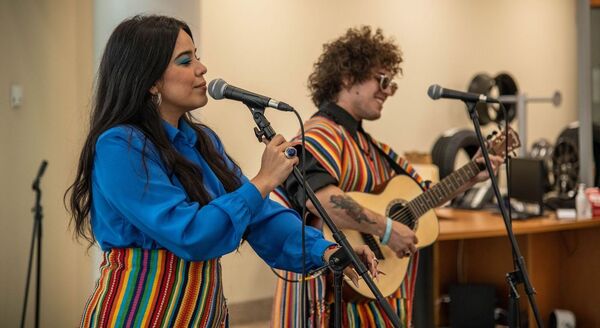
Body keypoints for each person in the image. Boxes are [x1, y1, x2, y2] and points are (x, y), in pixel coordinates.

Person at [66, 15, 378, 328]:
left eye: (197, 57)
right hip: (138, 316)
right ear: (151, 81)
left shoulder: (202, 142)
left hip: (204, 316)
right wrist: (262, 182)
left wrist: (328, 250)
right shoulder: (119, 145)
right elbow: (190, 234)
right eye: (186, 61)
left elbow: (263, 219)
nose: (201, 68)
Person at [271, 26, 502, 327]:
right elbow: (320, 201)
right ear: (346, 77)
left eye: (391, 83)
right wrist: (388, 229)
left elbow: (423, 198)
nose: (388, 90)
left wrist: (473, 174)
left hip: (370, 299)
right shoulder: (319, 133)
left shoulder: (372, 148)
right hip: (330, 300)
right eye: (381, 80)